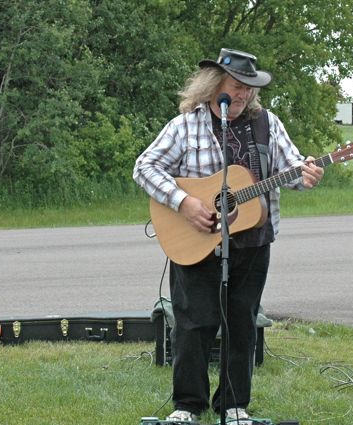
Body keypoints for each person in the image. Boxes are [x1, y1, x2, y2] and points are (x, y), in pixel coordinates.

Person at [133, 48, 324, 423]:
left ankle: (233, 406)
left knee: (242, 323)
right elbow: (145, 167)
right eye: (236, 87)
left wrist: (307, 174)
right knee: (194, 323)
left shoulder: (268, 123)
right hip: (197, 239)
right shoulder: (185, 125)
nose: (242, 96)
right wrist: (184, 202)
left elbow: (292, 168)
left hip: (253, 244)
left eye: (249, 90)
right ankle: (187, 405)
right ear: (213, 86)